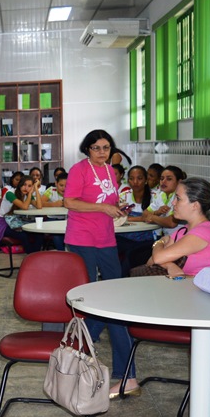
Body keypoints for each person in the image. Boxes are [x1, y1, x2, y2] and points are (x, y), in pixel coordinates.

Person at [62, 129, 134, 398]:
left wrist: (117, 208)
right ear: (87, 150)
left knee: (113, 295)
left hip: (106, 237)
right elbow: (69, 201)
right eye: (96, 148)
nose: (102, 152)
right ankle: (80, 344)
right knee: (90, 293)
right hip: (82, 237)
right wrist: (103, 208)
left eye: (106, 147)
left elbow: (108, 200)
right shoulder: (79, 170)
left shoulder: (110, 171)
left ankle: (80, 343)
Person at [147, 177, 210, 277]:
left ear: (195, 205)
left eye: (178, 199)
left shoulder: (204, 232)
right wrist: (169, 265)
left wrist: (160, 242)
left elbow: (158, 258)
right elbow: (151, 261)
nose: (173, 203)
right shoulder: (183, 230)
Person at [117, 165, 154, 275]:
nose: (135, 182)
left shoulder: (155, 197)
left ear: (146, 180)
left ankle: (122, 279)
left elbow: (155, 218)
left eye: (139, 178)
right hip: (124, 237)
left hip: (147, 240)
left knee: (131, 253)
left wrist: (131, 218)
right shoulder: (123, 196)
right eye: (132, 178)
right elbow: (116, 217)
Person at [142, 165, 186, 238]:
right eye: (161, 179)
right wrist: (157, 212)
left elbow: (171, 222)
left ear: (179, 182)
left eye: (169, 179)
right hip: (167, 238)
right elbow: (144, 215)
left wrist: (152, 217)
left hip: (181, 238)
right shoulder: (161, 195)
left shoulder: (182, 197)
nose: (163, 182)